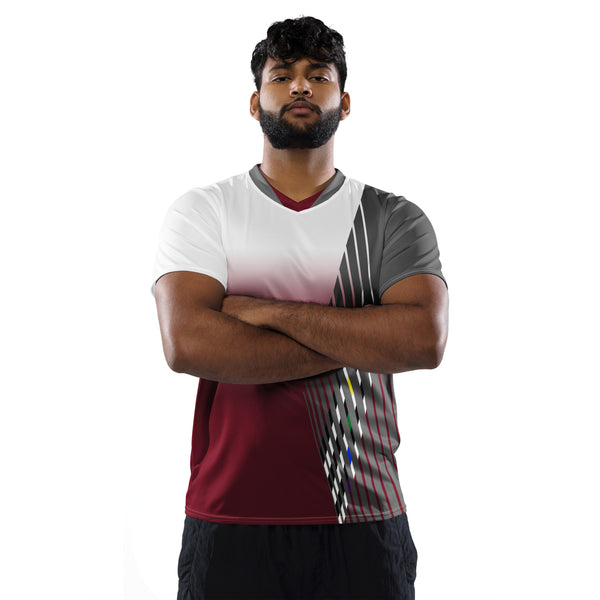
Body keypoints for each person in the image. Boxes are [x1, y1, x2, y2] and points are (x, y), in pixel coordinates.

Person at [151, 16, 449, 600]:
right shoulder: (204, 211)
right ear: (255, 101)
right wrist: (363, 336)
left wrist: (268, 312)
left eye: (319, 75)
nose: (301, 86)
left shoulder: (392, 218)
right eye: (281, 75)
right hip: (230, 516)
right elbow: (187, 344)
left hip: (362, 517)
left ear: (345, 102)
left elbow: (421, 341)